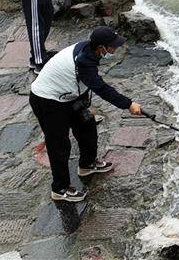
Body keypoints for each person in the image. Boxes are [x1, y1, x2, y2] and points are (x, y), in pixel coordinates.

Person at [29, 25, 144, 202]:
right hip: (48, 101)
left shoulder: (89, 50)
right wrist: (128, 104)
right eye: (113, 45)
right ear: (102, 48)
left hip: (69, 96)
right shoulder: (84, 61)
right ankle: (60, 189)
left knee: (87, 127)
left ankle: (87, 164)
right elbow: (101, 88)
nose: (116, 47)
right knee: (59, 146)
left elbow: (83, 85)